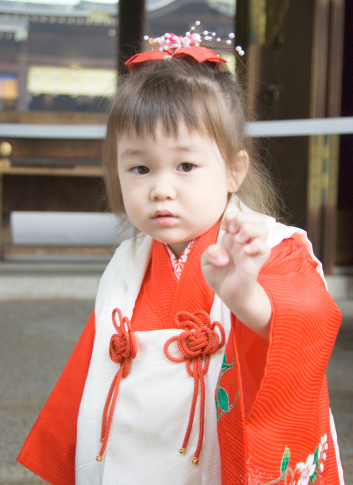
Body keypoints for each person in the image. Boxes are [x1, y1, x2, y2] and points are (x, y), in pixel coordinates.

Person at [17, 27, 344, 485]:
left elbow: (310, 321)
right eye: (139, 167)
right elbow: (89, 375)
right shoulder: (128, 264)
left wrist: (246, 297)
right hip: (132, 457)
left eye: (186, 166)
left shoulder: (268, 246)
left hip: (216, 453)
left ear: (233, 170)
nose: (161, 188)